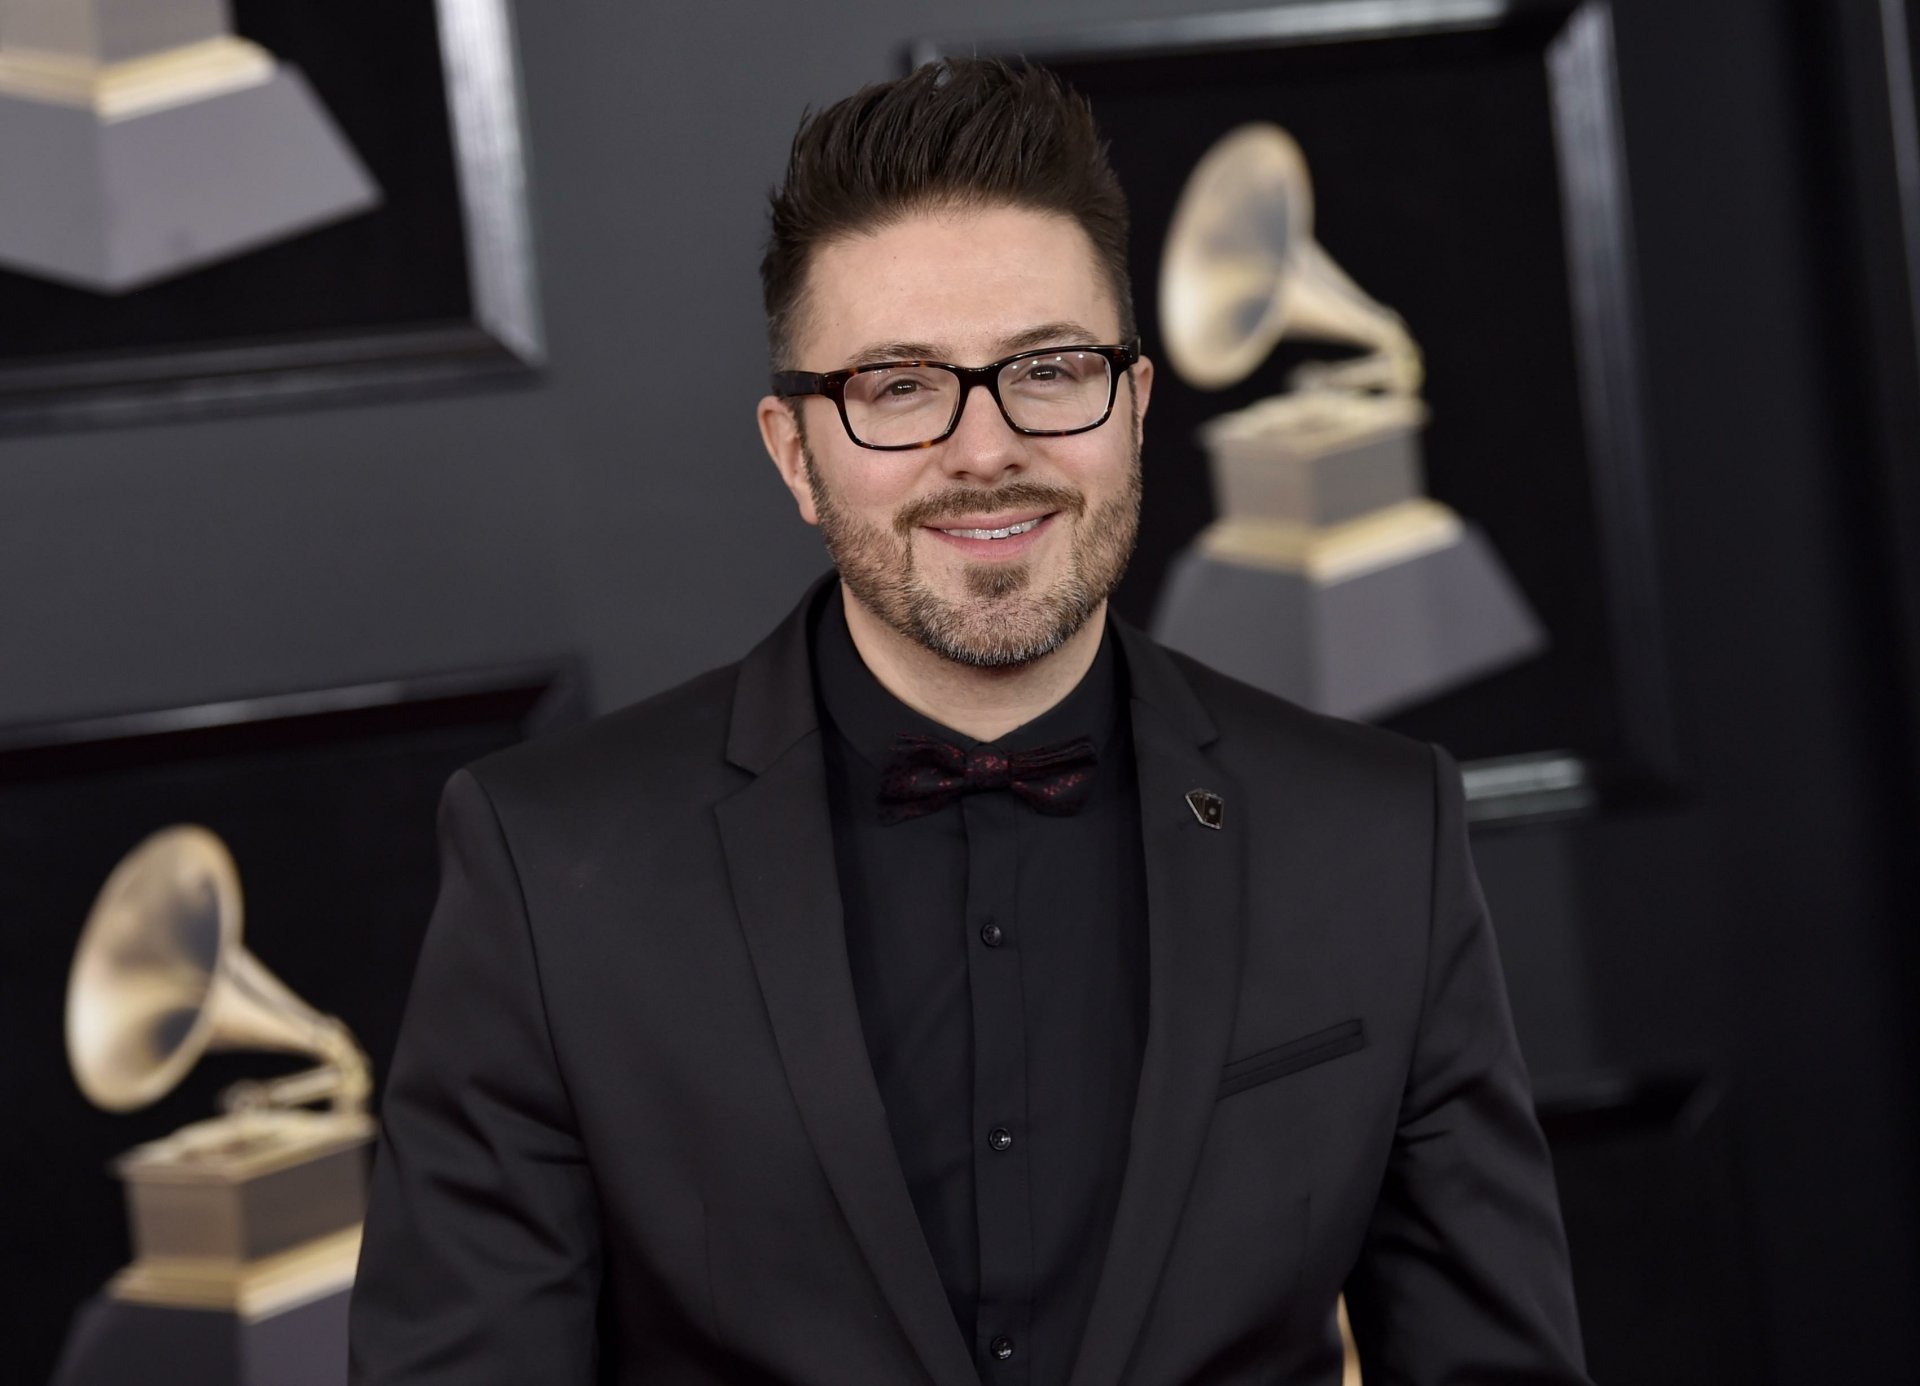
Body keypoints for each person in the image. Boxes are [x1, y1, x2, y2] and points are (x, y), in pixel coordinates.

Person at [348, 58, 1590, 1386]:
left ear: (1138, 407)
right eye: (898, 386)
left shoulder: (1377, 832)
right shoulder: (546, 865)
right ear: (793, 453)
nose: (986, 449)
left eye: (1049, 369)